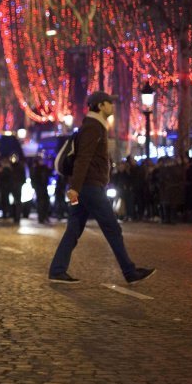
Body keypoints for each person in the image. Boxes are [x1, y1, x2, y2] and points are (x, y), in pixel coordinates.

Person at [48, 91, 156, 285]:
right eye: (109, 103)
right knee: (113, 228)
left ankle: (57, 270)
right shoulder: (93, 127)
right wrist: (75, 188)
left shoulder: (92, 126)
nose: (112, 106)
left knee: (74, 229)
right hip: (89, 187)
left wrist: (75, 187)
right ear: (100, 106)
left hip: (85, 186)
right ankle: (129, 271)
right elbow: (83, 159)